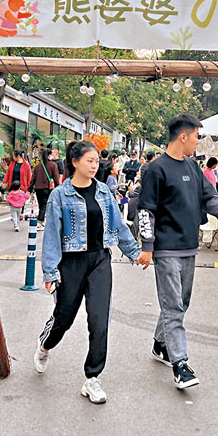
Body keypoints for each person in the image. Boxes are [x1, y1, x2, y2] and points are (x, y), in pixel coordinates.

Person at [137, 114, 218, 389]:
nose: (198, 142)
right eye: (196, 136)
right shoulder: (156, 169)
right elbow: (146, 210)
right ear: (183, 137)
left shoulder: (193, 168)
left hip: (188, 247)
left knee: (180, 303)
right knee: (173, 306)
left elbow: (210, 197)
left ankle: (160, 343)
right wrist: (147, 246)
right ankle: (180, 364)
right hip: (165, 249)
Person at [35, 140, 141, 404]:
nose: (95, 166)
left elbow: (118, 225)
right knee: (64, 318)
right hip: (71, 263)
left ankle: (92, 378)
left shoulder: (104, 192)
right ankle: (45, 345)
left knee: (99, 319)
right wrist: (50, 271)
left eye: (96, 161)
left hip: (100, 260)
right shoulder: (60, 195)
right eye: (89, 161)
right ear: (75, 162)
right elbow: (52, 235)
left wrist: (134, 252)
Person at [32, 147, 61, 226]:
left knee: (41, 205)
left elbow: (33, 178)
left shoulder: (38, 166)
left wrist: (30, 189)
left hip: (38, 188)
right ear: (49, 155)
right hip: (48, 188)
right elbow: (56, 178)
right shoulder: (53, 165)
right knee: (44, 205)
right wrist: (58, 187)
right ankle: (40, 221)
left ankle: (42, 220)